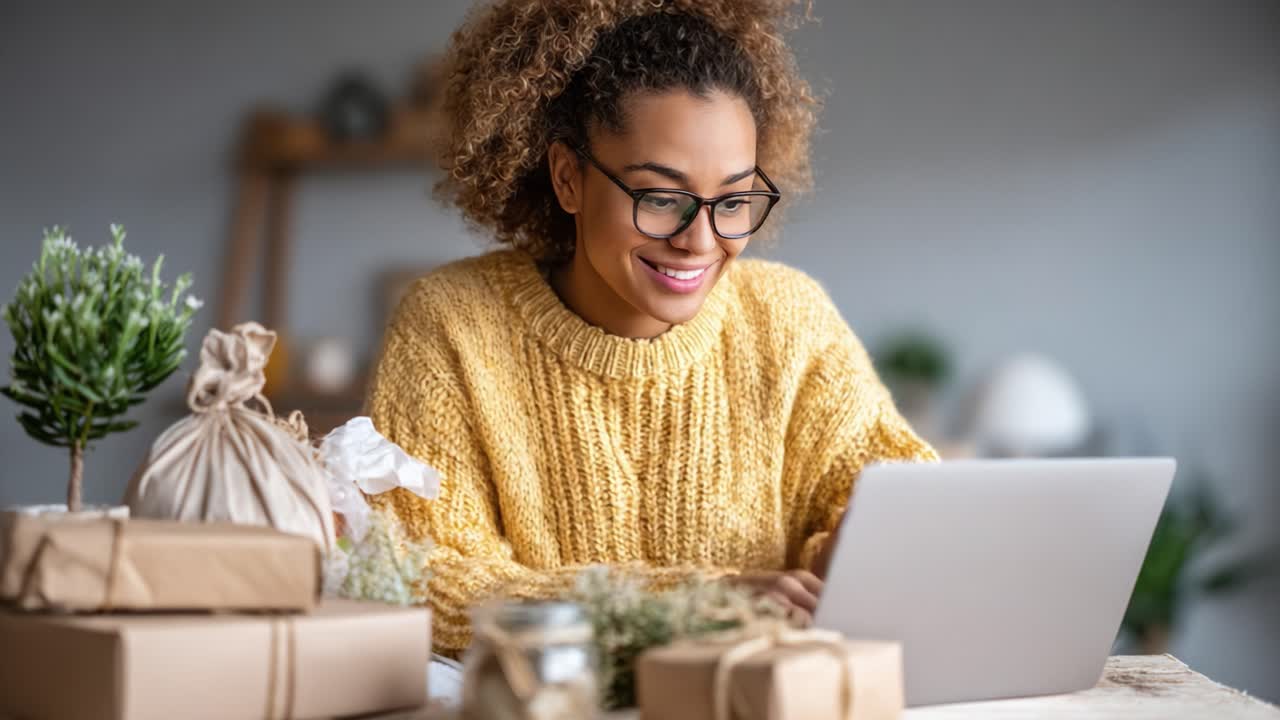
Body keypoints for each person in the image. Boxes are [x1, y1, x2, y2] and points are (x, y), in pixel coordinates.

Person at [366, 0, 936, 657]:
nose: (701, 240)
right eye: (661, 197)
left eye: (733, 201)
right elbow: (419, 580)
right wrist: (692, 607)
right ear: (568, 178)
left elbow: (902, 499)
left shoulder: (790, 321)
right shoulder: (452, 326)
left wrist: (857, 545)